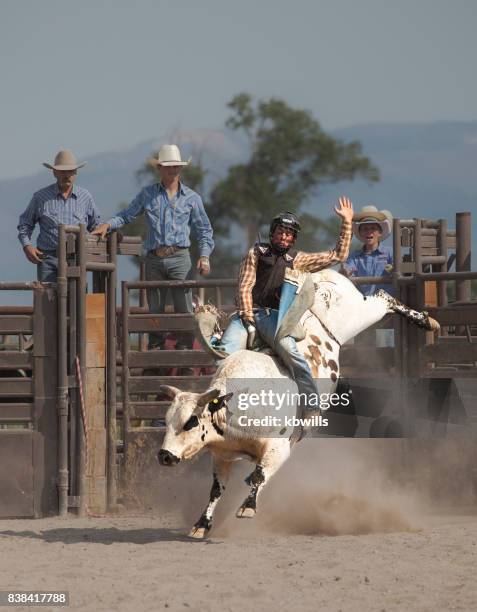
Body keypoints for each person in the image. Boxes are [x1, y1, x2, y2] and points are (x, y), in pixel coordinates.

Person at [198, 198, 354, 411]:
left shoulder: (297, 260)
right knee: (223, 355)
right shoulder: (256, 253)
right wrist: (247, 317)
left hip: (275, 318)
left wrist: (347, 222)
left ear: (293, 239)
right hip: (249, 315)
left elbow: (337, 255)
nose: (284, 236)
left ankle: (311, 403)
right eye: (280, 232)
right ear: (272, 233)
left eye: (289, 234)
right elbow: (245, 285)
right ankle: (213, 403)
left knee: (293, 354)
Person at [93, 144, 214, 350]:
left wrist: (204, 256)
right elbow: (127, 214)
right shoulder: (147, 194)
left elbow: (205, 230)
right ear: (159, 168)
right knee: (155, 308)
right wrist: (108, 224)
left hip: (179, 256)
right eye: (168, 166)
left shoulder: (192, 198)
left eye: (176, 166)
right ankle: (155, 349)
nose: (172, 170)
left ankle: (184, 349)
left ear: (180, 168)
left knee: (183, 306)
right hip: (154, 258)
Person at [17, 149, 101, 282]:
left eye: (70, 171)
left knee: (77, 300)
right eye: (62, 171)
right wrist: (27, 247)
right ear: (54, 172)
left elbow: (96, 227)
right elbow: (25, 223)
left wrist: (107, 232)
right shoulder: (41, 197)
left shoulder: (85, 197)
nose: (66, 175)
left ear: (76, 173)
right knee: (47, 300)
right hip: (48, 260)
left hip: (77, 259)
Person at [342, 205, 394, 347]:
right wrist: (345, 272)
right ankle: (363, 363)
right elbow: (348, 269)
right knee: (364, 345)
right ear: (360, 233)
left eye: (372, 228)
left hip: (386, 307)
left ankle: (388, 364)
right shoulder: (354, 257)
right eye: (365, 228)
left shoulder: (390, 253)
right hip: (363, 307)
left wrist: (395, 270)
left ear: (379, 232)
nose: (368, 232)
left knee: (386, 343)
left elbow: (400, 270)